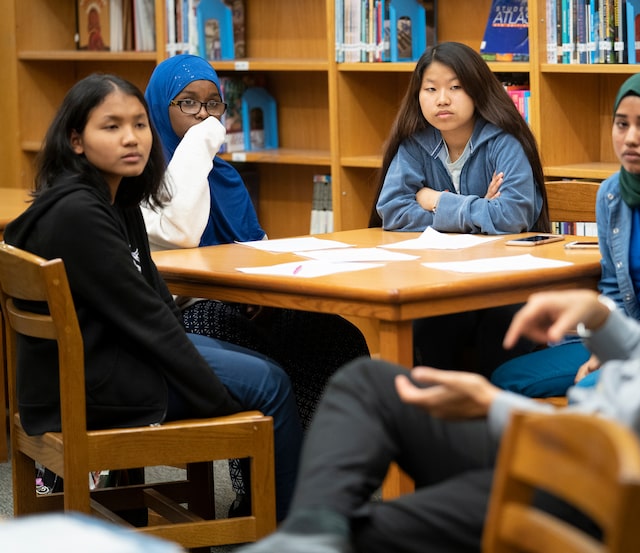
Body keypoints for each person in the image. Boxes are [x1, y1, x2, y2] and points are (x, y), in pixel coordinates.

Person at [237, 85, 640, 553]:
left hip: (601, 496)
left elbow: (635, 444)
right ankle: (309, 531)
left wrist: (493, 407)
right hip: (583, 463)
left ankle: (310, 534)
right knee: (371, 386)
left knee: (365, 528)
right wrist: (603, 318)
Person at [3, 73, 302, 522]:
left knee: (259, 365)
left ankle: (277, 516)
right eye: (112, 126)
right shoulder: (78, 214)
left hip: (105, 361)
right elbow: (147, 321)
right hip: (94, 384)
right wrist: (213, 399)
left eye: (140, 124)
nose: (132, 138)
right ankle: (292, 534)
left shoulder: (114, 198)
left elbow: (155, 299)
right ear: (75, 140)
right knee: (269, 383)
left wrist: (207, 372)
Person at [141, 54, 370, 431]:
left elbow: (257, 246)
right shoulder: (144, 177)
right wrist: (200, 143)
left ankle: (325, 472)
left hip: (242, 300)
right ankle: (260, 486)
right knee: (249, 350)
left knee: (338, 337)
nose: (202, 116)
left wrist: (266, 296)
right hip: (183, 313)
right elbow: (180, 234)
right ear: (159, 110)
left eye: (213, 103)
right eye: (188, 103)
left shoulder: (226, 176)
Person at [491, 71, 640, 398]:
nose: (630, 138)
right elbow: (613, 288)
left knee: (588, 393)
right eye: (621, 124)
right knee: (505, 378)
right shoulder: (612, 194)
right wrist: (606, 347)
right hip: (626, 339)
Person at [369, 41, 549, 375]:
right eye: (431, 88)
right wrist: (480, 209)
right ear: (417, 94)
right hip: (439, 281)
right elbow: (392, 210)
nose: (442, 99)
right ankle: (433, 421)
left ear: (478, 90)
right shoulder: (414, 144)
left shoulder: (504, 142)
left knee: (501, 328)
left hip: (506, 283)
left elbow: (511, 216)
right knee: (428, 325)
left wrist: (435, 200)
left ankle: (495, 419)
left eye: (455, 87)